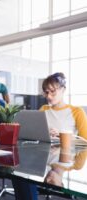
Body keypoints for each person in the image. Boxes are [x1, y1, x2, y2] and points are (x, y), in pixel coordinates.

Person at [12, 72, 87, 200]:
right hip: (42, 153)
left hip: (65, 153)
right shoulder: (44, 109)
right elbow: (33, 133)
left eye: (53, 92)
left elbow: (85, 141)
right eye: (46, 92)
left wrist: (61, 136)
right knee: (17, 175)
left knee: (21, 177)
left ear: (63, 90)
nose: (49, 96)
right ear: (60, 183)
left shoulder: (76, 112)